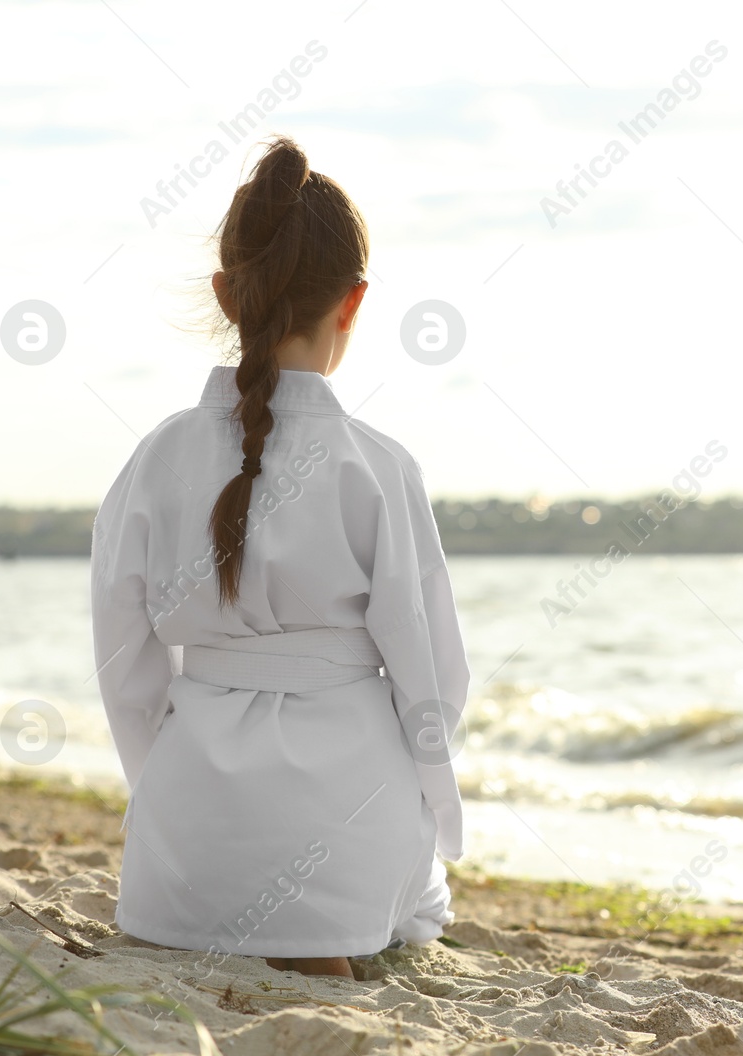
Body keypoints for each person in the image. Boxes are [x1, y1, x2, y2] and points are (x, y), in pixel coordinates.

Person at [90, 136, 469, 979]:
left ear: (227, 294)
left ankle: (227, 901)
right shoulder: (378, 465)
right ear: (355, 301)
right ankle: (332, 925)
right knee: (421, 905)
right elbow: (433, 676)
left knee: (226, 889)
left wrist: (166, 798)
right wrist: (438, 811)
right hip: (348, 819)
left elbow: (125, 671)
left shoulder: (154, 458)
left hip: (181, 844)